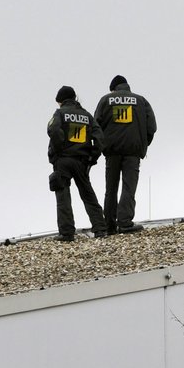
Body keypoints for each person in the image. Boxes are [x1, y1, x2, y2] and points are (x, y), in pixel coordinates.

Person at [94, 74, 156, 234]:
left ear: (113, 89)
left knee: (111, 187)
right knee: (129, 186)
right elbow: (152, 127)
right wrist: (142, 145)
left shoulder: (105, 100)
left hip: (112, 152)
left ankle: (109, 224)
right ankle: (125, 222)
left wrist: (102, 147)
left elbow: (96, 126)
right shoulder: (141, 101)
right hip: (132, 152)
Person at [47, 86, 106, 242]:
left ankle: (67, 233)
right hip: (81, 160)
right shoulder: (86, 115)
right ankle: (100, 228)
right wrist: (92, 157)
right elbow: (99, 138)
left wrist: (59, 150)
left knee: (63, 196)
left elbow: (53, 130)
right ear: (75, 98)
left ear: (60, 101)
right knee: (88, 194)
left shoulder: (59, 113)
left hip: (63, 160)